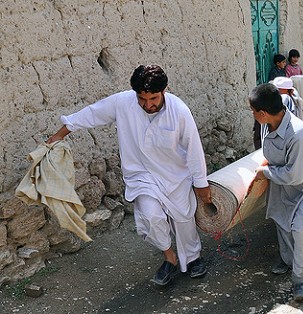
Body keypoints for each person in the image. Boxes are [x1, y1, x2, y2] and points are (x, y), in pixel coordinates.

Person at [46, 65, 212, 286]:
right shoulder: (123, 102)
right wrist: (59, 135)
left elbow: (194, 150)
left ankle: (192, 259)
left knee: (184, 220)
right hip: (141, 176)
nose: (147, 104)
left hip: (176, 176)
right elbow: (92, 113)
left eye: (153, 98)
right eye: (142, 99)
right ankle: (169, 258)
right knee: (151, 216)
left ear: (164, 91)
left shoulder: (179, 111)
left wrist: (201, 183)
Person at [249, 83, 303, 301]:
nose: (253, 115)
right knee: (281, 220)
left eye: (254, 112)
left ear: (263, 113)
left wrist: (265, 172)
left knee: (300, 227)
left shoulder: (297, 134)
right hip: (282, 183)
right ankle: (288, 259)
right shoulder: (269, 123)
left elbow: (296, 175)